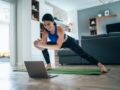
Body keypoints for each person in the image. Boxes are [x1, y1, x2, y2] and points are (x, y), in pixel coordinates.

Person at [34, 13, 108, 73]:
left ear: (53, 22)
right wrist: (38, 43)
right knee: (43, 47)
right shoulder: (45, 32)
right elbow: (43, 46)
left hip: (68, 41)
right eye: (45, 24)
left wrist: (42, 44)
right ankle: (49, 65)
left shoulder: (59, 29)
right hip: (56, 43)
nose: (46, 26)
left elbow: (58, 46)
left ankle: (100, 65)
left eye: (48, 24)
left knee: (83, 54)